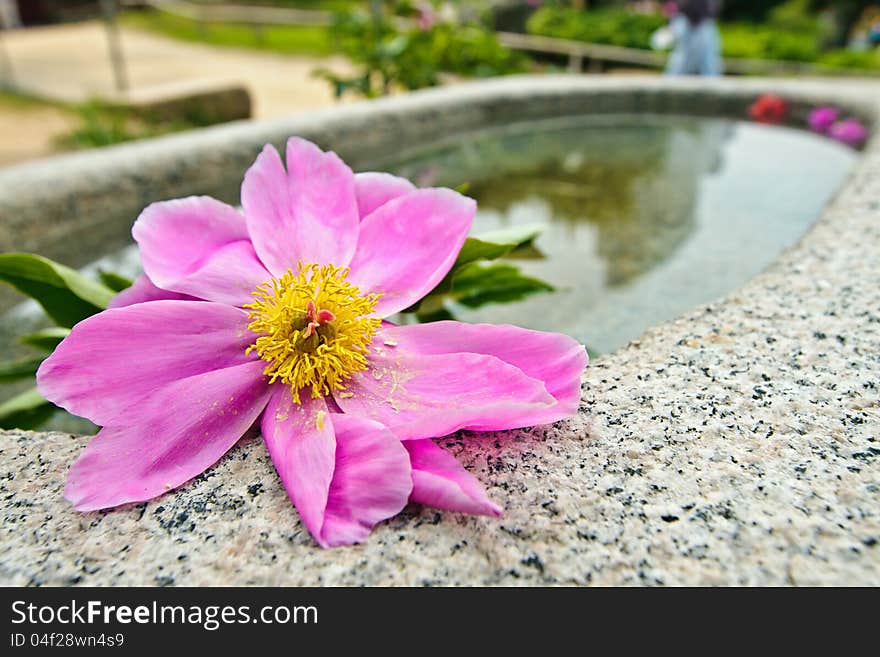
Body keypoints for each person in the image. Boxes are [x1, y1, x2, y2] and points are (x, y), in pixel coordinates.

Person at [665, 0, 723, 77]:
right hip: (686, 20)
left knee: (710, 63)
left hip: (704, 21)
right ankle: (669, 84)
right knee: (679, 61)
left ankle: (714, 84)